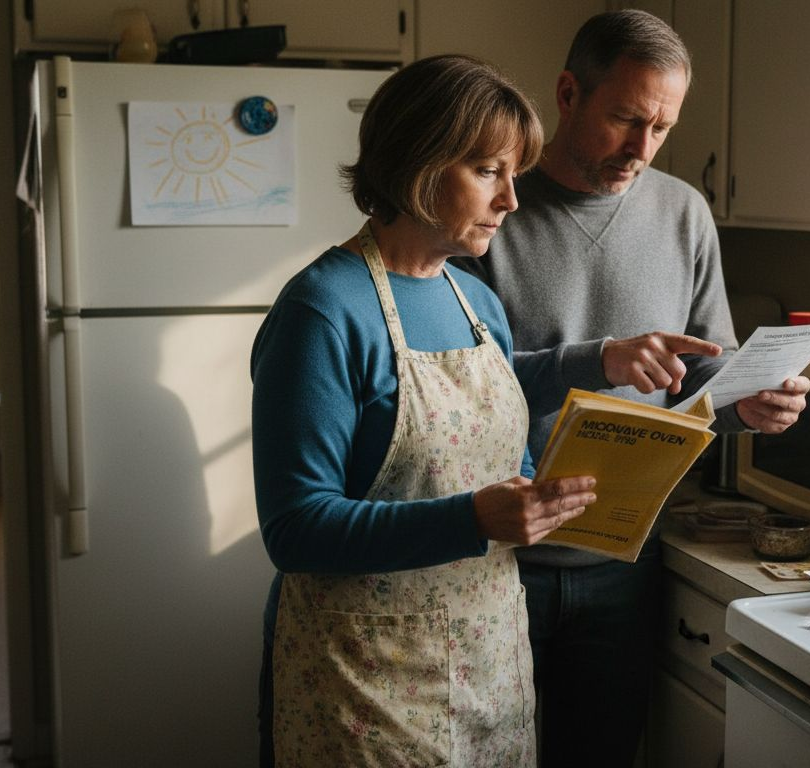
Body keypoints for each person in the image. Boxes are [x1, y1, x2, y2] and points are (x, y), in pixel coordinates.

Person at [454, 10, 810, 767]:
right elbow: (456, 389)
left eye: (661, 127)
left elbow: (704, 370)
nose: (640, 148)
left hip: (625, 559)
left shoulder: (684, 212)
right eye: (625, 118)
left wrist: (748, 404)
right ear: (568, 92)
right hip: (497, 557)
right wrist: (599, 358)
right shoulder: (490, 212)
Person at [249, 54, 599, 767]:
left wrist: (543, 497)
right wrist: (473, 518)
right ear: (417, 162)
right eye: (486, 171)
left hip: (492, 667)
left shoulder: (477, 304)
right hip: (365, 682)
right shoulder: (323, 309)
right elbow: (295, 527)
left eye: (513, 175)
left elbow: (507, 465)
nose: (510, 201)